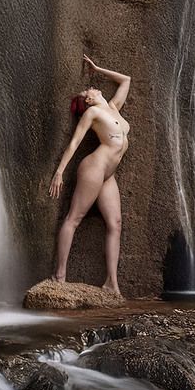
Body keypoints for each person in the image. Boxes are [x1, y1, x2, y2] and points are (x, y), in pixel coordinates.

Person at [49, 55, 131, 297]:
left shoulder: (113, 108)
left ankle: (111, 283)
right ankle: (59, 275)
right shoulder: (93, 113)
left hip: (108, 174)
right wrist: (59, 172)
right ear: (88, 99)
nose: (93, 87)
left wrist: (98, 68)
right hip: (94, 167)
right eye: (89, 90)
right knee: (74, 218)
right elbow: (74, 143)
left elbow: (126, 80)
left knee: (115, 224)